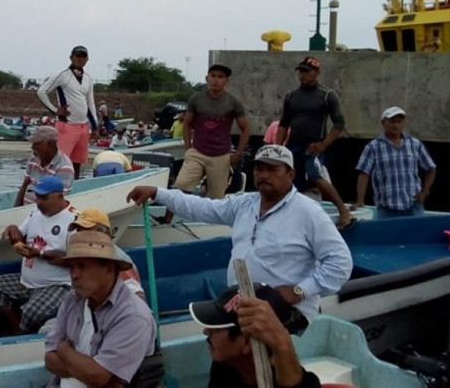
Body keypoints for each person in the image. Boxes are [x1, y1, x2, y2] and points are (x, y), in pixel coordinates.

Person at [126, 144, 353, 321]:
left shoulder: (309, 212)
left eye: (273, 169)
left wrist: (300, 291)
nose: (264, 175)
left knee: (231, 341)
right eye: (259, 169)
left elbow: (340, 262)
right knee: (214, 332)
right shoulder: (245, 203)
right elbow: (202, 207)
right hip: (242, 300)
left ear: (290, 174)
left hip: (287, 310)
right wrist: (158, 193)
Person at [44, 230, 156, 387]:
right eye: (72, 267)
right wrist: (84, 369)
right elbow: (49, 360)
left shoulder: (133, 315)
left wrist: (64, 351)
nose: (74, 275)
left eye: (82, 266)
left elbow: (97, 376)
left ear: (109, 269)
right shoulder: (72, 300)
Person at [0, 176, 76, 335]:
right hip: (27, 281)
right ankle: (17, 331)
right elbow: (20, 238)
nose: (39, 202)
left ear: (59, 196)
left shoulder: (74, 220)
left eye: (44, 198)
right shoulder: (36, 213)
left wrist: (40, 254)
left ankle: (22, 335)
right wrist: (14, 232)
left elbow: (75, 259)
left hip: (57, 284)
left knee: (31, 312)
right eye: (37, 197)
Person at [275, 56, 355, 229]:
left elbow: (339, 123)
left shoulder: (327, 95)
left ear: (317, 73)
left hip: (314, 146)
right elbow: (284, 123)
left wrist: (323, 145)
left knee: (314, 175)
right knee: (291, 182)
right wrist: (277, 147)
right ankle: (293, 219)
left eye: (307, 71)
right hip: (293, 145)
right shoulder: (291, 96)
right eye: (300, 71)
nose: (303, 75)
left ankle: (343, 211)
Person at [189, 284, 319, 388]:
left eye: (217, 328)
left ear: (246, 342)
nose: (206, 331)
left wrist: (282, 341)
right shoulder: (224, 368)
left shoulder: (299, 383)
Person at [175, 63, 250, 200]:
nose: (216, 80)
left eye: (221, 77)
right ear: (207, 78)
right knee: (181, 185)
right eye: (213, 76)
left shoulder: (234, 103)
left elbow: (245, 129)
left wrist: (238, 153)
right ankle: (174, 213)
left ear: (226, 81)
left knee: (217, 197)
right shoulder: (196, 99)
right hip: (197, 152)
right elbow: (186, 123)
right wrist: (188, 148)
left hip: (220, 156)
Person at [354, 106, 436, 219]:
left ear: (403, 123)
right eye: (392, 122)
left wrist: (425, 191)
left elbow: (431, 168)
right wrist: (360, 200)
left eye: (399, 122)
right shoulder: (373, 146)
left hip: (413, 206)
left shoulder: (415, 144)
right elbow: (364, 174)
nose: (396, 125)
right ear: (383, 123)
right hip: (387, 208)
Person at [37, 45, 98, 179]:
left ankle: (74, 186)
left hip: (83, 126)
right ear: (71, 57)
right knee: (60, 162)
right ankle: (53, 187)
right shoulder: (63, 74)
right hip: (67, 125)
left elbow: (90, 103)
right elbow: (42, 91)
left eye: (83, 56)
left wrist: (94, 126)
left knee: (77, 163)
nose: (80, 59)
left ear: (87, 59)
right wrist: (55, 110)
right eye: (77, 56)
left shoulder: (88, 78)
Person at [68, 209, 144, 298]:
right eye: (79, 231)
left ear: (105, 233)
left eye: (87, 232)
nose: (81, 236)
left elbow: (135, 294)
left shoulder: (116, 257)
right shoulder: (88, 256)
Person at [14, 126, 74, 206]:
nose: (32, 147)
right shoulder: (33, 159)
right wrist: (16, 209)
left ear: (50, 144)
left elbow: (57, 201)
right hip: (27, 208)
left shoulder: (64, 168)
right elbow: (25, 185)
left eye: (36, 144)